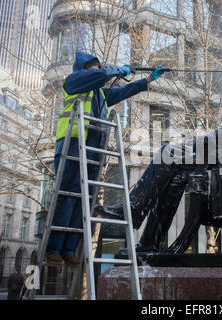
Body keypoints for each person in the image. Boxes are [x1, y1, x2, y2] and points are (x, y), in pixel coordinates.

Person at [96, 58, 222, 252]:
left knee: (167, 153)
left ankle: (132, 209)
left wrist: (215, 136)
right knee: (173, 175)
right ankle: (149, 242)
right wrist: (200, 143)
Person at [45, 51, 165, 267]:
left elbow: (122, 91)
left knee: (84, 197)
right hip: (73, 141)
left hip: (92, 145)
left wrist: (147, 80)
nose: (98, 71)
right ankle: (53, 248)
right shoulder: (74, 81)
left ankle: (69, 248)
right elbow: (101, 76)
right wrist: (120, 69)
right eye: (95, 67)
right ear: (85, 67)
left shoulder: (98, 92)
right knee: (68, 193)